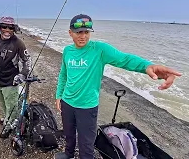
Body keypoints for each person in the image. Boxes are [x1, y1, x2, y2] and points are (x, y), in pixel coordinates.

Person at [54, 14, 182, 159]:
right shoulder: (67, 51)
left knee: (86, 145)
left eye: (86, 32)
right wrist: (59, 95)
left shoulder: (99, 50)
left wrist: (148, 66)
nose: (83, 36)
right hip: (67, 102)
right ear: (70, 33)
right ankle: (68, 153)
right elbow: (63, 74)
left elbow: (124, 59)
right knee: (69, 133)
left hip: (87, 106)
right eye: (78, 32)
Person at [0, 16, 32, 138]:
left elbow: (27, 61)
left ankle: (10, 125)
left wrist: (22, 75)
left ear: (14, 29)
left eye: (10, 27)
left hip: (11, 81)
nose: (7, 30)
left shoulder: (18, 43)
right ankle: (7, 118)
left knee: (11, 105)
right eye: (4, 27)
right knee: (2, 103)